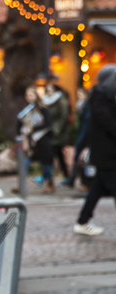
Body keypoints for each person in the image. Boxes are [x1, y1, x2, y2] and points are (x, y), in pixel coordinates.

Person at [75, 64, 116, 236]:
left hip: (106, 153)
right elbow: (109, 125)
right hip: (107, 154)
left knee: (98, 187)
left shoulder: (105, 97)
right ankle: (82, 221)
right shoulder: (101, 99)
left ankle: (82, 221)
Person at [14, 86, 55, 194]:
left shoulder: (42, 108)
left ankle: (50, 183)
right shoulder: (26, 110)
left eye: (31, 95)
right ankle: (21, 185)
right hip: (29, 139)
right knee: (25, 161)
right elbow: (20, 124)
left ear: (36, 96)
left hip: (42, 138)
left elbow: (48, 123)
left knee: (45, 162)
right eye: (27, 95)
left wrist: (33, 128)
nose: (29, 97)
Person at [41, 76, 73, 186]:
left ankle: (47, 177)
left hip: (58, 133)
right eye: (47, 90)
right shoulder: (46, 101)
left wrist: (57, 129)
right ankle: (67, 177)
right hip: (50, 132)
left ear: (55, 91)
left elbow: (63, 116)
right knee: (58, 156)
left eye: (50, 90)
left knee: (52, 154)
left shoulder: (60, 100)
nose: (48, 92)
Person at [69, 87, 91, 189]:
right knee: (79, 158)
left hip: (85, 137)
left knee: (81, 159)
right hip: (81, 135)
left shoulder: (87, 107)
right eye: (78, 95)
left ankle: (82, 182)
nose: (79, 97)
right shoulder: (80, 107)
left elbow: (86, 124)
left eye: (81, 95)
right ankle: (76, 180)